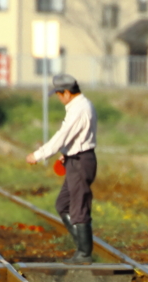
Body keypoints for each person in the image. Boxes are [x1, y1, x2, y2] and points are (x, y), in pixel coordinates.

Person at [26, 74, 98, 263]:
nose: (58, 98)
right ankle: (82, 248)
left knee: (78, 207)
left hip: (81, 161)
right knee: (63, 204)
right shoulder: (78, 106)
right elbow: (76, 136)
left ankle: (84, 254)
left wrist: (39, 155)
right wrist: (66, 153)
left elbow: (63, 135)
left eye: (58, 94)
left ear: (67, 92)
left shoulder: (79, 109)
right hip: (74, 158)